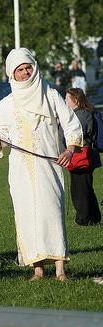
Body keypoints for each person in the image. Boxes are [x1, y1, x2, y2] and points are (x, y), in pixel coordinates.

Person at [0, 48, 83, 282]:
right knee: (26, 214)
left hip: (49, 166)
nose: (25, 72)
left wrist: (69, 150)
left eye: (28, 67)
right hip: (20, 169)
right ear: (12, 73)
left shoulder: (50, 95)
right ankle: (37, 270)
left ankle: (60, 270)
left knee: (52, 212)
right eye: (19, 70)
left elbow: (71, 124)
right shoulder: (6, 104)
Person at [65, 88, 101, 226]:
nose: (65, 100)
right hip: (84, 155)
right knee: (86, 188)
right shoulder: (81, 113)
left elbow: (79, 134)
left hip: (82, 155)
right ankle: (94, 217)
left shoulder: (80, 114)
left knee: (79, 190)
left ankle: (83, 219)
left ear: (75, 100)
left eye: (67, 98)